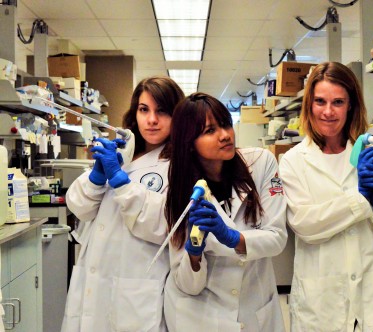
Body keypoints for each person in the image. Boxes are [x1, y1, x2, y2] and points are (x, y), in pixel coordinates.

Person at [279, 62, 373, 332]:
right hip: (321, 305)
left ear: (350, 105)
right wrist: (362, 198)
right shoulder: (293, 162)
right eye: (320, 101)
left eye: (338, 102)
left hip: (371, 297)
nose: (328, 111)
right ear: (309, 105)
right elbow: (306, 225)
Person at [61, 76, 185, 332]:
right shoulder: (122, 153)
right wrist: (97, 177)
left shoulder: (182, 166)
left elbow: (165, 227)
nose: (151, 120)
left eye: (162, 111)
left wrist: (120, 181)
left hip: (137, 288)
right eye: (144, 110)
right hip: (95, 281)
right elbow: (79, 207)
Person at [163, 92, 287, 332]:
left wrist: (234, 239)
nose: (225, 135)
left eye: (226, 124)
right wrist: (194, 256)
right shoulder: (178, 189)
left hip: (253, 308)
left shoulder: (262, 163)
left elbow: (277, 237)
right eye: (209, 131)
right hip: (199, 315)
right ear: (188, 143)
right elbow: (188, 285)